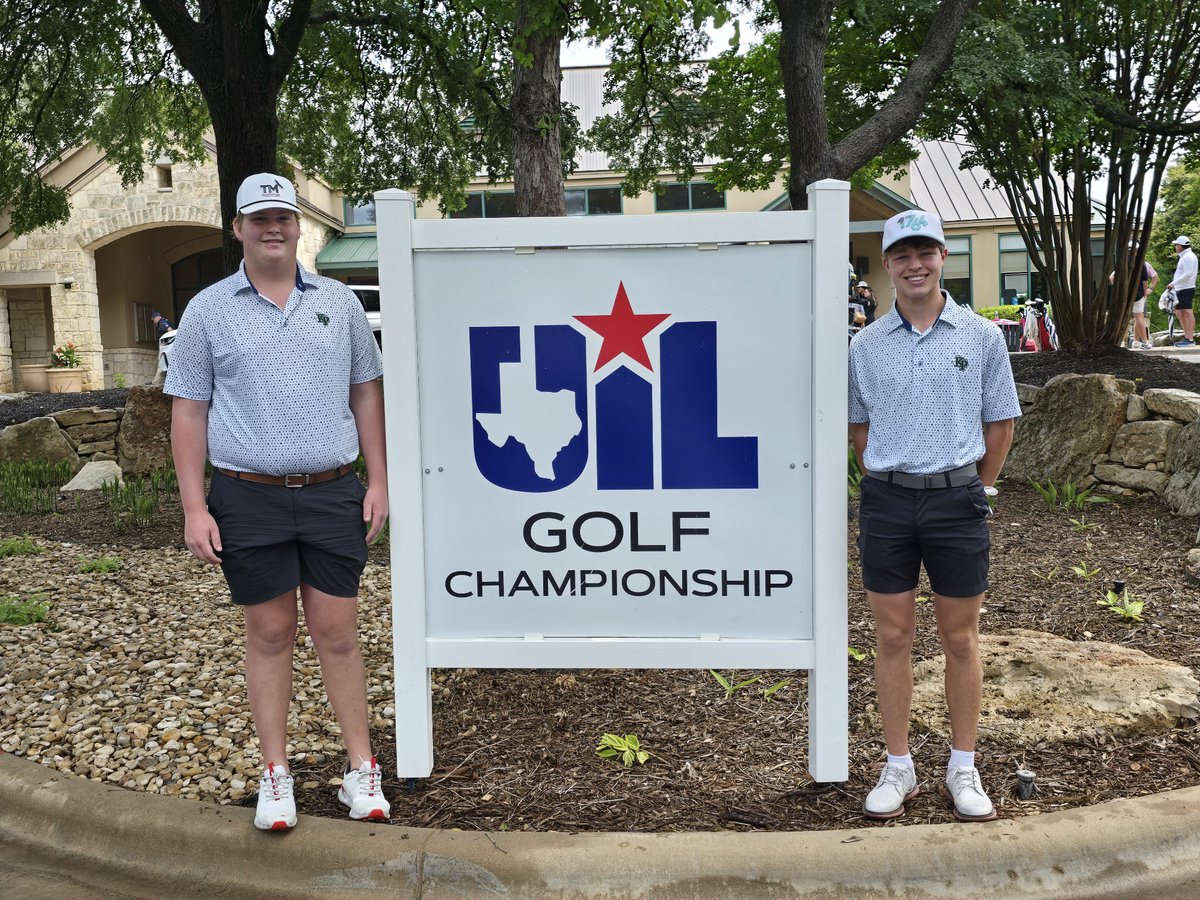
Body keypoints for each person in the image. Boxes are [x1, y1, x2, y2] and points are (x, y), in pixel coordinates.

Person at [164, 173, 389, 832]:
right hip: (248, 497)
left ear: (298, 225)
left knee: (338, 634)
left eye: (283, 217)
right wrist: (193, 508)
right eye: (259, 217)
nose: (273, 228)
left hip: (330, 494)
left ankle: (360, 770)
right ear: (237, 227)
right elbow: (188, 410)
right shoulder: (208, 309)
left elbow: (366, 392)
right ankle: (276, 775)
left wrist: (378, 481)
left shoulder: (340, 302)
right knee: (269, 634)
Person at [848, 210, 1021, 823]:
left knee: (959, 637)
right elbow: (859, 426)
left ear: (942, 257)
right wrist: (888, 474)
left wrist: (978, 489)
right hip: (889, 503)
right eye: (902, 254)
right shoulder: (864, 344)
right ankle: (898, 766)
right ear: (888, 263)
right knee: (892, 637)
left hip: (957, 502)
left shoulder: (981, 337)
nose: (914, 264)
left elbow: (999, 424)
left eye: (925, 252)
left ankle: (962, 764)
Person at [1108, 257, 1158, 349]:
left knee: (1124, 318)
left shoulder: (1123, 263)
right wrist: (1146, 292)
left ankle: (1127, 342)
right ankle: (1144, 341)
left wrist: (1118, 290)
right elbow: (1146, 280)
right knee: (1139, 317)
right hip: (1138, 294)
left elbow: (1111, 278)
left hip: (1124, 295)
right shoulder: (1143, 264)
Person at [1168, 235, 1197, 347]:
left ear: (1180, 246)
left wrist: (1173, 283)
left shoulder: (1188, 256)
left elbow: (1188, 274)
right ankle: (1187, 337)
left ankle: (1190, 339)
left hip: (1186, 288)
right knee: (1179, 312)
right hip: (1180, 288)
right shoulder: (1185, 256)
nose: (1175, 247)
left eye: (1176, 245)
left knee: (1187, 312)